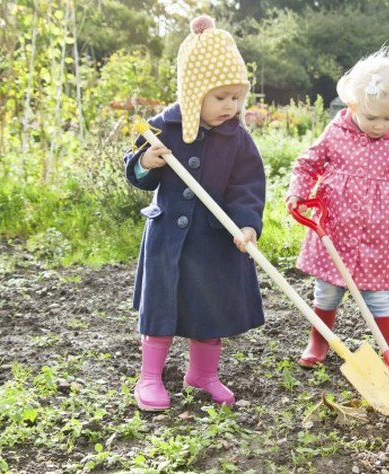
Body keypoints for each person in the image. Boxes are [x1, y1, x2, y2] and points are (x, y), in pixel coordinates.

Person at [123, 15, 266, 410]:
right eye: (221, 97)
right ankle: (150, 377)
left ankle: (202, 374)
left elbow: (247, 187)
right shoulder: (161, 129)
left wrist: (247, 225)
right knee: (162, 306)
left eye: (238, 97)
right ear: (193, 92)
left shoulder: (237, 139)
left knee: (209, 309)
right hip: (168, 238)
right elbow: (135, 172)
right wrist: (145, 163)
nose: (231, 106)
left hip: (213, 241)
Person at [285, 50, 389, 370]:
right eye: (372, 118)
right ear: (353, 107)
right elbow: (307, 165)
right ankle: (318, 342)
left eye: (388, 118)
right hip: (334, 231)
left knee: (379, 299)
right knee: (328, 294)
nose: (380, 126)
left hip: (378, 241)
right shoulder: (336, 134)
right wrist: (298, 192)